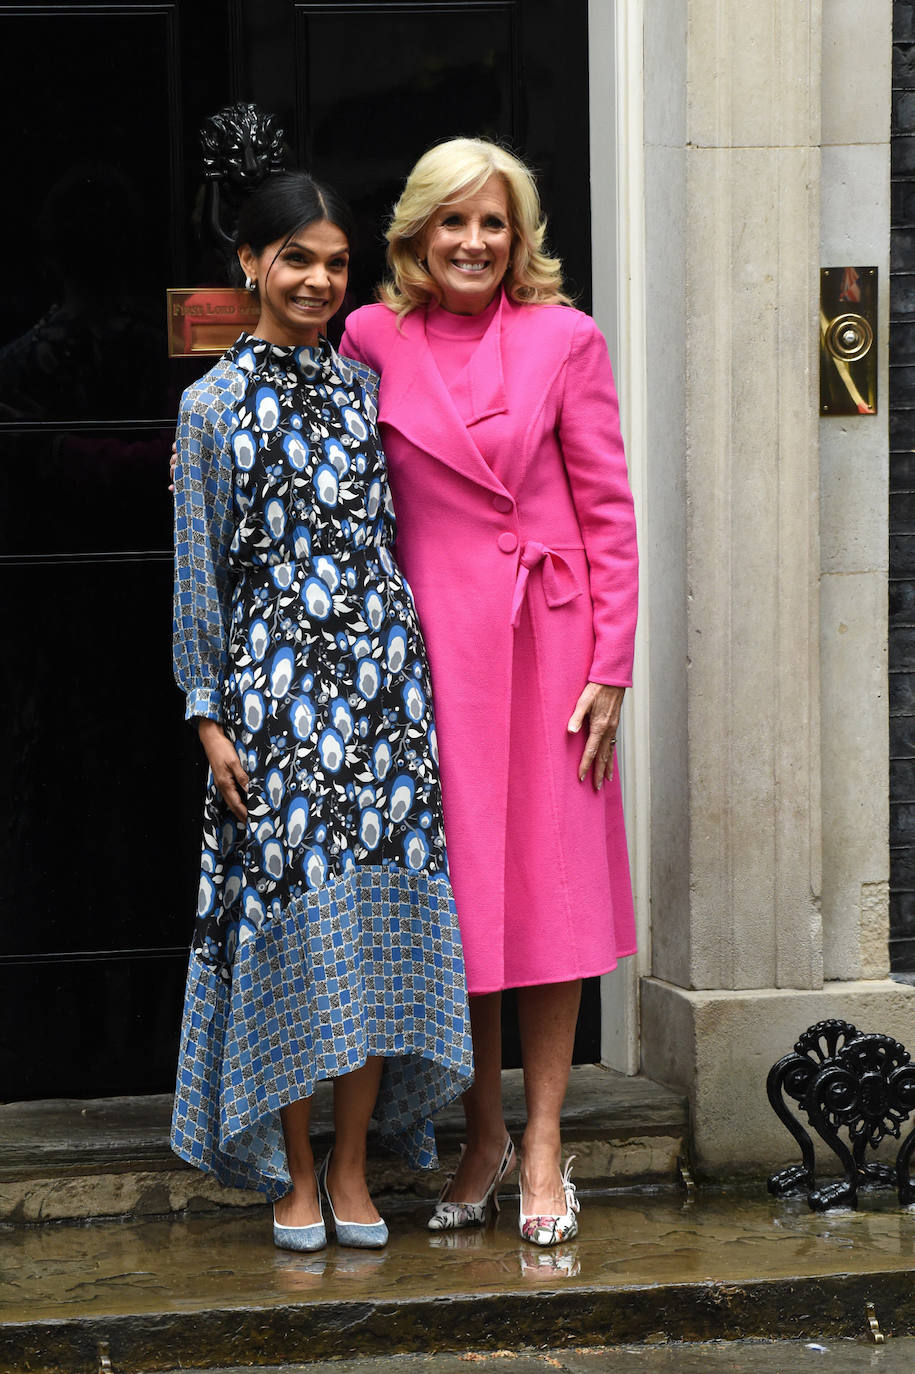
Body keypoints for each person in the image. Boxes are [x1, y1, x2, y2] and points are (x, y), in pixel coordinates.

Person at [340, 138, 638, 1247]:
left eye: (495, 224)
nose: (474, 242)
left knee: (548, 899)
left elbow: (608, 512)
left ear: (520, 240)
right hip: (427, 658)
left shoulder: (567, 338)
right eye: (453, 222)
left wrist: (612, 666)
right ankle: (481, 1135)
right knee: (459, 907)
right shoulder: (370, 338)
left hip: (551, 653)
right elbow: (316, 451)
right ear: (416, 235)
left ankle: (546, 1139)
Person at [170, 171, 473, 1253]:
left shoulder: (361, 389)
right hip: (273, 703)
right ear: (249, 264)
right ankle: (293, 1168)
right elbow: (196, 576)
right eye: (296, 257)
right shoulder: (209, 408)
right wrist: (209, 719)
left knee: (378, 929)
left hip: (384, 692)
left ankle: (353, 1167)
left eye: (335, 262)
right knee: (295, 934)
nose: (317, 279)